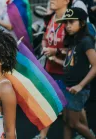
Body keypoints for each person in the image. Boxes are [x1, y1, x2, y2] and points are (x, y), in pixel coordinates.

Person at [53, 7, 96, 139]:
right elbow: (70, 64)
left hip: (77, 89)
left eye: (72, 22)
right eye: (66, 23)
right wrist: (55, 59)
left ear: (82, 23)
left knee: (74, 123)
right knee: (67, 121)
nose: (68, 26)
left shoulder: (86, 41)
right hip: (68, 86)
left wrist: (80, 86)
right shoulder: (73, 41)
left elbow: (95, 66)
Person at [33, 0, 71, 138]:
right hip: (50, 70)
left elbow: (76, 49)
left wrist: (56, 52)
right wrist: (44, 47)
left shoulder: (71, 20)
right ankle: (42, 135)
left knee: (72, 114)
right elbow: (45, 38)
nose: (51, 1)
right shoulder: (52, 17)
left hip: (65, 73)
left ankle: (85, 131)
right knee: (49, 103)